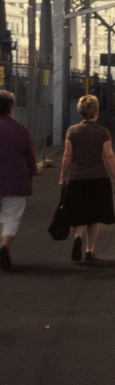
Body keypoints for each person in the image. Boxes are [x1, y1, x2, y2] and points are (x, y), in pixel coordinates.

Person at [59, 95, 115, 262]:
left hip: (77, 178)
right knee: (94, 215)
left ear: (80, 111)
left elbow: (68, 155)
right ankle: (89, 250)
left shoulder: (72, 131)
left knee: (78, 212)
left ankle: (77, 236)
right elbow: (109, 156)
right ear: (96, 111)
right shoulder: (103, 132)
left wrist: (62, 175)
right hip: (99, 178)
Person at [0, 90, 37, 271]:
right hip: (15, 181)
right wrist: (31, 175)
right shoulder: (20, 130)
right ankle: (5, 244)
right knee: (11, 217)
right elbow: (30, 157)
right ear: (11, 108)